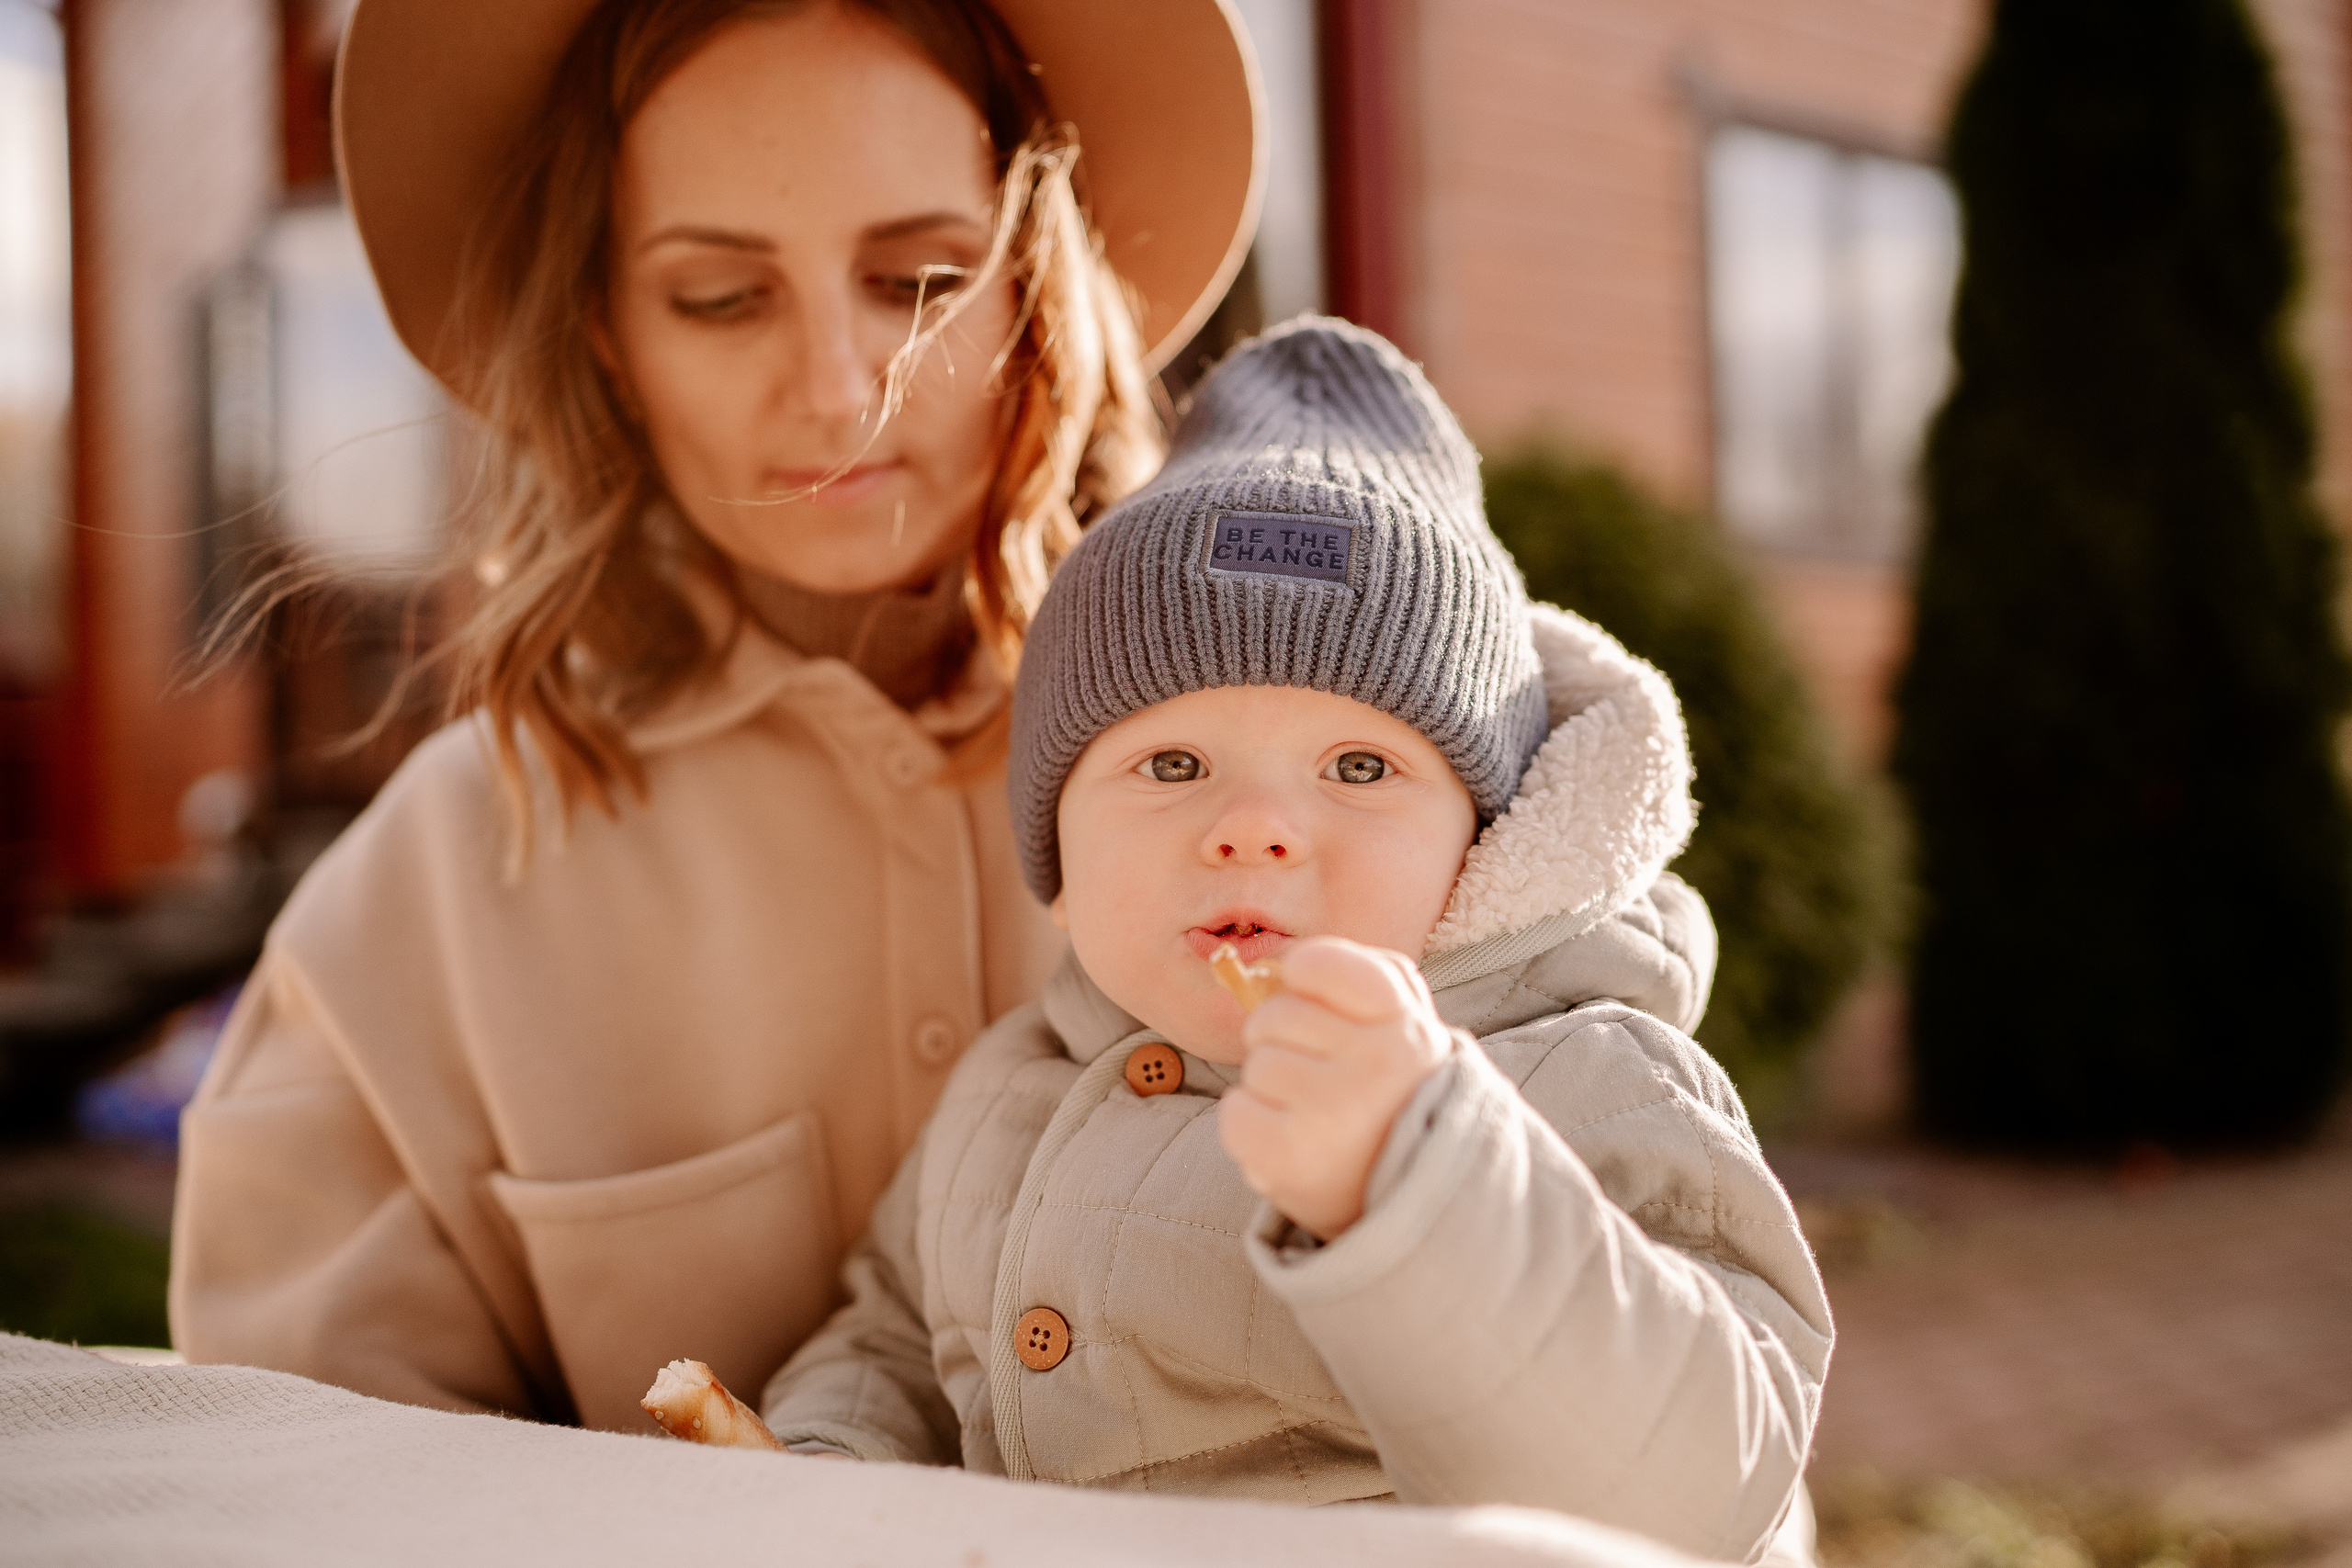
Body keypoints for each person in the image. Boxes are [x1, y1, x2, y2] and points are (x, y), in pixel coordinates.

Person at [167, 0, 1261, 1433]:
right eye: (719, 296)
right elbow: (309, 1489)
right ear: (606, 334)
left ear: (1033, 283)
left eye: (920, 278)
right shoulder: (426, 901)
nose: (835, 391)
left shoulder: (1293, 781)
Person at [756, 320, 1835, 1564]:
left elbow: (1709, 1489)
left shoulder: (1583, 1078)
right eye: (1172, 764)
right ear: (1054, 853)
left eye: (1360, 768)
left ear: (1482, 837)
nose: (1256, 829)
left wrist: (1418, 1183)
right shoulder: (1008, 1090)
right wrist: (819, 1477)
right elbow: (889, 1341)